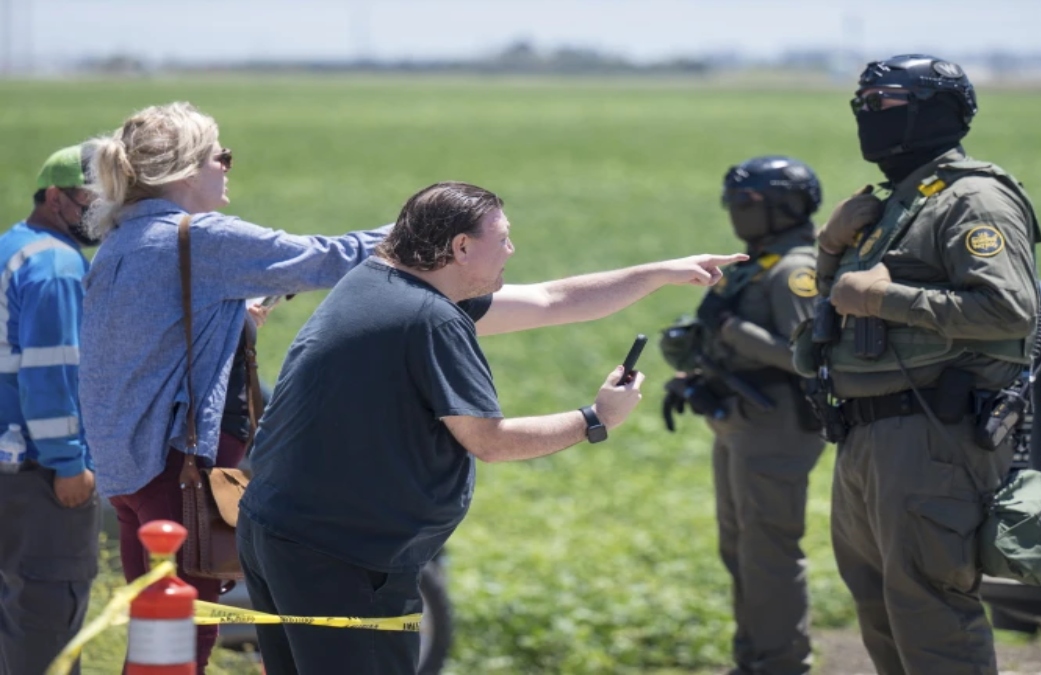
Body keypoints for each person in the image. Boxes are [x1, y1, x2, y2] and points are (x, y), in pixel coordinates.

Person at [236, 181, 745, 675]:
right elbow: (490, 441)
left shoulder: (380, 282)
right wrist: (597, 418)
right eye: (501, 238)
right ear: (460, 246)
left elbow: (552, 300)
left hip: (280, 535)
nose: (512, 248)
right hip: (339, 556)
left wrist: (660, 272)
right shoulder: (427, 318)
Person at [77, 101, 390, 672]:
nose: (227, 166)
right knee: (181, 643)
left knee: (158, 639)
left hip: (128, 474)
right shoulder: (200, 238)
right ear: (188, 170)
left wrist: (235, 318)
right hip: (180, 477)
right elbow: (331, 258)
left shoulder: (122, 242)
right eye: (221, 155)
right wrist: (423, 227)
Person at [792, 55, 1041, 674]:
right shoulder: (895, 205)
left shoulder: (973, 198)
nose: (866, 114)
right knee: (881, 611)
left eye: (884, 103)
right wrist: (831, 250)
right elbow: (832, 315)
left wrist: (883, 297)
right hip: (865, 433)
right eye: (863, 104)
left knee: (930, 613)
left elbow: (1011, 311)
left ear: (934, 110)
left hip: (932, 432)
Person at [658, 156, 826, 674]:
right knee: (740, 550)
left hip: (776, 424)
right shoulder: (760, 262)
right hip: (738, 420)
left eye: (748, 202)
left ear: (784, 206)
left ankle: (780, 664)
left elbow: (808, 357)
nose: (736, 210)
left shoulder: (796, 268)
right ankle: (753, 658)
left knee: (768, 552)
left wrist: (730, 329)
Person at [0, 144, 101, 675]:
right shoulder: (58, 266)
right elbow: (51, 372)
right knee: (47, 632)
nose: (102, 209)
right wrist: (68, 463)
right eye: (92, 197)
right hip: (39, 474)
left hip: (8, 462)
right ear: (55, 196)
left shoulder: (13, 247)